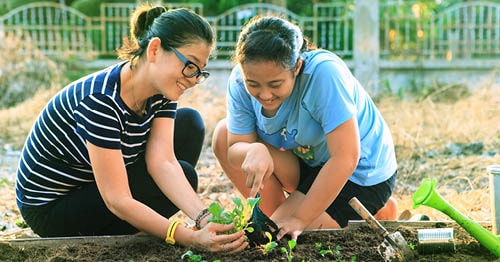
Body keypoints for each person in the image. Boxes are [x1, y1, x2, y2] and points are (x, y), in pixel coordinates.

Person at [16, 4, 248, 253]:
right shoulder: (100, 100)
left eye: (199, 72)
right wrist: (186, 237)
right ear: (155, 50)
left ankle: (139, 226)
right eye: (189, 66)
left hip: (95, 183)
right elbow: (117, 199)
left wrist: (203, 218)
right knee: (186, 175)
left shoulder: (162, 91)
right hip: (53, 209)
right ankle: (133, 229)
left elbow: (163, 162)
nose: (192, 80)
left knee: (189, 125)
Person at [212, 16, 399, 241]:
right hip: (309, 162)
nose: (264, 95)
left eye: (275, 84)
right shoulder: (239, 82)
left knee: (289, 234)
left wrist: (300, 219)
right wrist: (252, 150)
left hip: (359, 172)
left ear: (297, 67)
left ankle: (378, 211)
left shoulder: (324, 74)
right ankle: (279, 215)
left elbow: (346, 157)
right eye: (254, 84)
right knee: (223, 134)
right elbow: (233, 148)